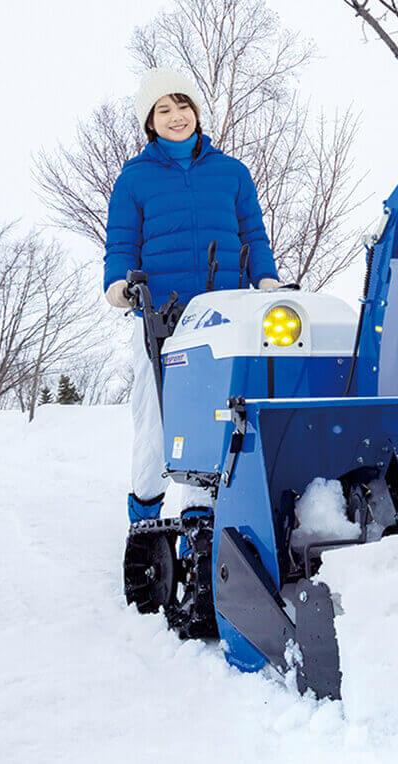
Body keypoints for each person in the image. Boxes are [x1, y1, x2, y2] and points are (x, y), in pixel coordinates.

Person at [104, 68, 282, 524]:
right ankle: (145, 522)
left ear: (197, 112)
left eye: (183, 105)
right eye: (163, 109)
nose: (176, 116)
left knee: (217, 418)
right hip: (160, 316)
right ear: (150, 122)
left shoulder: (232, 172)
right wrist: (118, 285)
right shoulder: (134, 179)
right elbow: (122, 242)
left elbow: (253, 235)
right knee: (156, 422)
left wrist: (265, 279)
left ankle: (201, 520)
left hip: (222, 316)